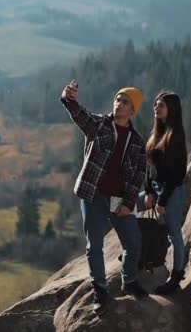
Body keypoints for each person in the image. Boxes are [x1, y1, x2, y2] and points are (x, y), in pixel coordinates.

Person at [60, 80, 148, 314]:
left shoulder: (138, 142)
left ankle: (128, 281)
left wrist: (129, 203)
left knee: (134, 243)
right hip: (93, 195)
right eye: (118, 99)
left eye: (125, 102)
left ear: (133, 110)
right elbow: (80, 115)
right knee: (95, 246)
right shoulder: (99, 125)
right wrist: (69, 99)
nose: (119, 104)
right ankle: (99, 289)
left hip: (119, 199)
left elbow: (138, 175)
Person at [139, 91, 187, 295]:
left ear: (172, 109)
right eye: (156, 104)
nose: (156, 108)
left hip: (171, 191)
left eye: (161, 105)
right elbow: (149, 168)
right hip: (156, 189)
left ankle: (176, 277)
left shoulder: (175, 135)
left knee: (174, 234)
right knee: (121, 207)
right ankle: (136, 254)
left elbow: (177, 174)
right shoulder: (157, 133)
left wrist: (163, 200)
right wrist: (149, 191)